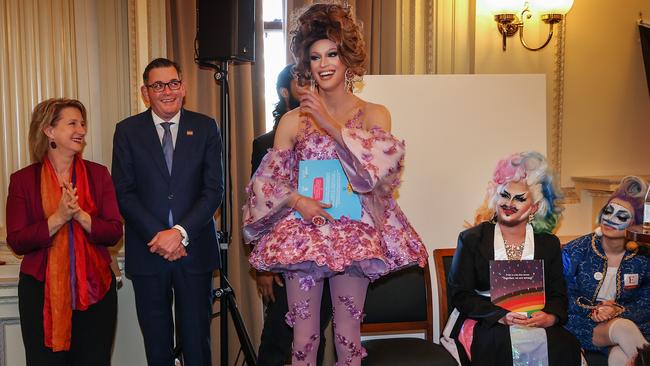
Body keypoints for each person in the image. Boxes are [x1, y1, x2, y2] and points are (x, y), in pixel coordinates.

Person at [242, 3, 428, 365]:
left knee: (347, 339)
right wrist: (298, 201)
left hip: (353, 237)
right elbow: (265, 184)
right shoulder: (292, 121)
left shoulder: (375, 113)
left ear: (347, 59)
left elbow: (379, 175)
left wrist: (328, 123)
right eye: (315, 57)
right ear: (306, 64)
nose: (324, 63)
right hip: (303, 235)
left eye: (332, 54)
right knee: (304, 341)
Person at [111, 58, 223, 366]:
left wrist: (180, 234)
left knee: (198, 343)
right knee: (157, 346)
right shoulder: (127, 131)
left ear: (183, 88)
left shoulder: (205, 127)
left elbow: (214, 190)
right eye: (158, 85)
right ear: (145, 93)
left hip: (194, 251)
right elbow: (124, 192)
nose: (167, 91)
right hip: (149, 252)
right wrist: (160, 237)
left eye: (173, 83)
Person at [6, 98, 121, 365]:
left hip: (96, 294)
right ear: (49, 131)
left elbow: (114, 231)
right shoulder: (23, 180)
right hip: (40, 295)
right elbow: (18, 240)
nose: (81, 130)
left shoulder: (99, 175)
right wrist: (58, 218)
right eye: (72, 123)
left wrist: (80, 215)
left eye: (82, 124)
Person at [445, 152, 582, 366]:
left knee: (564, 344)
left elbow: (558, 294)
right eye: (504, 195)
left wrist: (550, 317)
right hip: (486, 319)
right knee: (500, 345)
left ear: (534, 208)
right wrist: (500, 316)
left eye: (519, 198)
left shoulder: (548, 244)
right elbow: (460, 295)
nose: (509, 203)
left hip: (534, 321)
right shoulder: (471, 239)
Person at [252, 64, 333, 365]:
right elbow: (259, 201)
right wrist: (264, 268)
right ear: (286, 92)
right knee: (276, 336)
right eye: (302, 80)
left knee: (316, 336)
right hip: (284, 257)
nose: (310, 84)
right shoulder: (265, 143)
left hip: (328, 250)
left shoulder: (334, 131)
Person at [562, 176, 649, 366]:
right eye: (608, 211)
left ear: (635, 223)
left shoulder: (643, 257)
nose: (610, 219)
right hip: (583, 324)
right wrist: (596, 311)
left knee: (621, 356)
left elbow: (647, 302)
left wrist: (617, 310)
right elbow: (562, 293)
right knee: (623, 328)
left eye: (621, 216)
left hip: (631, 322)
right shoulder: (576, 250)